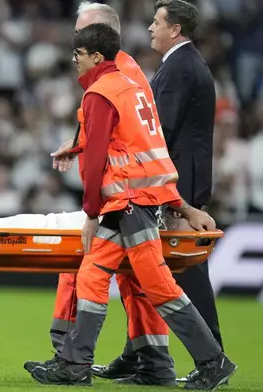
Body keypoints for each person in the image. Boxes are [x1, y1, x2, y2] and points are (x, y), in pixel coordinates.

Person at [27, 23, 235, 390]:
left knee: (158, 285)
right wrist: (179, 205)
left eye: (78, 54)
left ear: (96, 57)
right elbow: (151, 155)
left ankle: (213, 361)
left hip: (126, 204)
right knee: (92, 275)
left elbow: (94, 163)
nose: (74, 60)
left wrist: (91, 214)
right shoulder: (133, 88)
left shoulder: (100, 93)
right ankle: (75, 363)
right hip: (136, 200)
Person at [94, 0, 225, 384]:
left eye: (156, 22)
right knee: (143, 268)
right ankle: (142, 354)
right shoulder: (183, 64)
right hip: (177, 179)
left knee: (179, 272)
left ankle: (211, 356)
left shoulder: (180, 68)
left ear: (176, 30)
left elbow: (157, 132)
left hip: (171, 184)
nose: (149, 28)